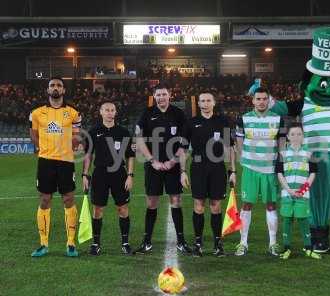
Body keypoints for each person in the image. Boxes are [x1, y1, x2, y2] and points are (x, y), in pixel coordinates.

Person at [135, 84, 191, 254]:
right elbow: (139, 138)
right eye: (158, 95)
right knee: (151, 202)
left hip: (172, 167)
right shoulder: (147, 113)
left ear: (170, 95)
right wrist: (152, 160)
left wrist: (174, 161)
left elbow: (185, 141)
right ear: (154, 96)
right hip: (153, 166)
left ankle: (181, 241)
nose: (161, 97)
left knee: (176, 201)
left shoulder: (178, 114)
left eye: (164, 94)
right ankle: (147, 241)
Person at [30, 77, 82, 257]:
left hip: (66, 161)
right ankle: (43, 244)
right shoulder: (37, 113)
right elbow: (33, 134)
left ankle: (71, 243)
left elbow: (77, 136)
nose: (55, 88)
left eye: (59, 85)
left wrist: (75, 142)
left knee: (68, 199)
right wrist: (41, 148)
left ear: (64, 90)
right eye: (52, 85)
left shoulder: (73, 113)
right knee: (45, 199)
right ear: (47, 90)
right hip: (46, 161)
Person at [180, 92, 236, 257]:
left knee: (215, 206)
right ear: (198, 103)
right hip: (197, 167)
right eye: (202, 100)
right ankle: (198, 244)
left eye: (208, 100)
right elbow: (182, 150)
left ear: (214, 103)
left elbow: (230, 148)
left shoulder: (222, 121)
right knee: (198, 205)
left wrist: (233, 171)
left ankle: (218, 244)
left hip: (217, 168)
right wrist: (182, 172)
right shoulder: (191, 123)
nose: (205, 103)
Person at [235, 87, 283, 257]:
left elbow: (281, 142)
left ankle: (273, 243)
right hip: (250, 169)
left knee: (271, 205)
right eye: (258, 99)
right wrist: (243, 158)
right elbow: (239, 140)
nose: (261, 102)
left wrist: (281, 163)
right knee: (247, 205)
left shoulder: (278, 119)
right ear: (253, 100)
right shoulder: (244, 119)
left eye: (264, 99)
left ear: (268, 100)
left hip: (270, 169)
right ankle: (243, 243)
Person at [82, 101, 135, 256]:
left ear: (115, 113)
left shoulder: (124, 132)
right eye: (107, 110)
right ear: (101, 112)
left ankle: (125, 243)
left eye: (112, 110)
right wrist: (85, 174)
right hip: (100, 174)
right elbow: (88, 156)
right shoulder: (93, 132)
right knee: (98, 209)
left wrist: (130, 176)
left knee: (122, 208)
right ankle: (96, 243)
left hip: (120, 173)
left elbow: (130, 156)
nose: (110, 112)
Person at [275, 122, 321, 260]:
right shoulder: (282, 153)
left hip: (303, 194)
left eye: (299, 134)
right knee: (287, 219)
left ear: (303, 136)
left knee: (303, 220)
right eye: (293, 134)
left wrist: (303, 189)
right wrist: (288, 190)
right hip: (287, 193)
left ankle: (308, 248)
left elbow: (313, 173)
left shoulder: (309, 153)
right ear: (288, 136)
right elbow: (279, 174)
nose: (296, 137)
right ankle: (287, 248)